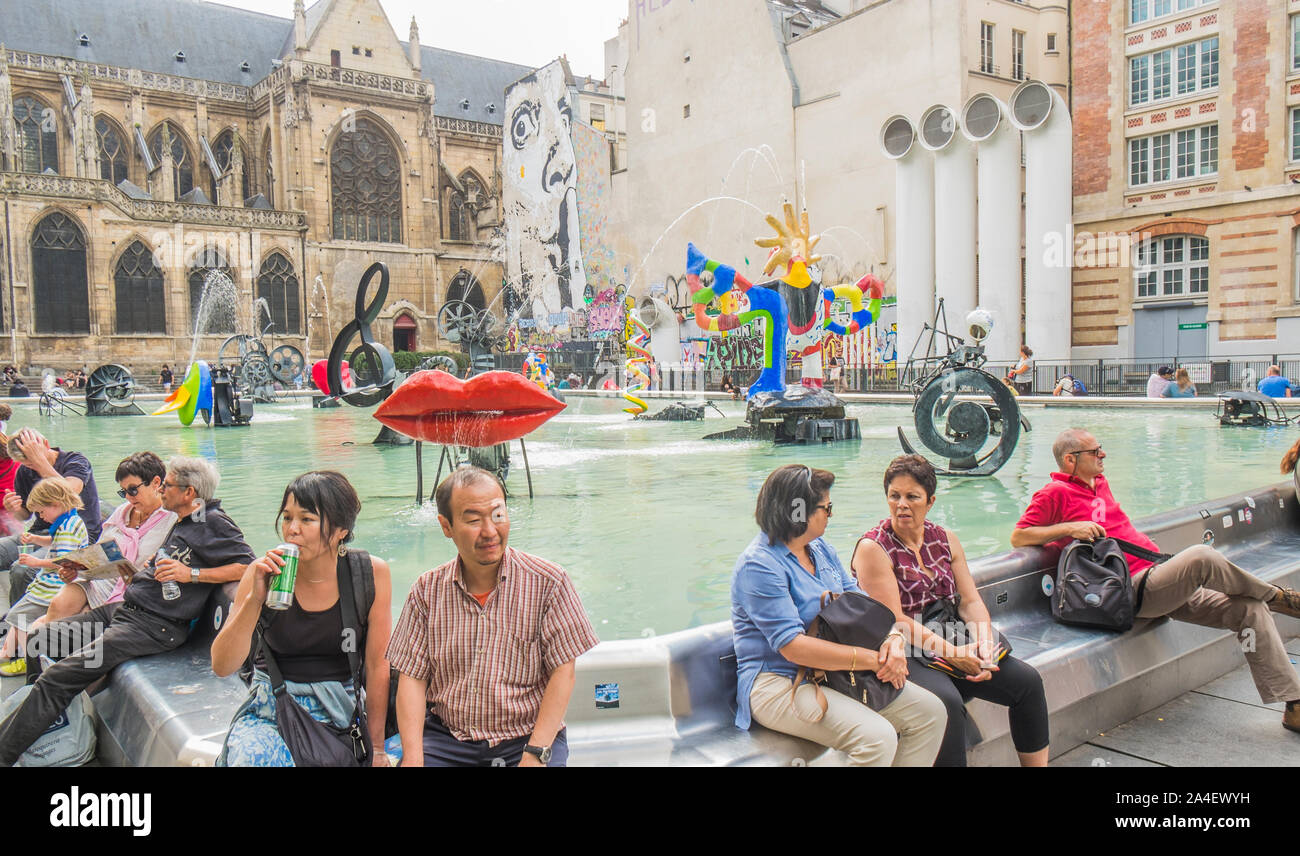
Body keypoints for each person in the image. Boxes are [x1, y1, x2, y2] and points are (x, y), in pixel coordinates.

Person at [1011, 428, 1300, 734]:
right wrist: (1071, 528)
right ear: (1070, 460)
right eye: (1095, 452)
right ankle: (1278, 597)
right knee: (1202, 556)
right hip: (1129, 589)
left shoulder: (1099, 483)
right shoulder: (1054, 493)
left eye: (1101, 449)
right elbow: (1019, 536)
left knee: (1249, 610)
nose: (1103, 455)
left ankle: (1294, 705)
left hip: (1158, 579)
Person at [0, 456, 255, 766]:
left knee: (59, 676)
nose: (163, 492)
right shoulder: (185, 520)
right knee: (41, 638)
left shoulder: (212, 521)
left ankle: (7, 751)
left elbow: (248, 567)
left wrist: (191, 576)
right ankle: (45, 729)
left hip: (152, 626)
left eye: (169, 485)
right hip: (125, 610)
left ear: (189, 493)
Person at [731, 464, 946, 766]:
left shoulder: (819, 549)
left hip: (836, 672)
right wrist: (875, 660)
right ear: (798, 512)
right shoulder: (760, 566)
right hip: (779, 680)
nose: (830, 515)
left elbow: (860, 602)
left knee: (930, 713)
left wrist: (893, 639)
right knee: (876, 738)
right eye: (826, 508)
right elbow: (793, 647)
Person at [387, 466, 599, 766]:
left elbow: (563, 673)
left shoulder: (549, 582)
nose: (490, 531)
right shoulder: (426, 591)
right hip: (448, 738)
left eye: (498, 515)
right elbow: (413, 678)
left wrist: (536, 752)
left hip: (526, 737)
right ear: (446, 526)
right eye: (473, 520)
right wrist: (413, 756)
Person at [853, 455, 1049, 766]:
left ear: (929, 501)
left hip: (949, 633)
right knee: (946, 705)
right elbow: (895, 620)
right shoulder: (873, 548)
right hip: (904, 648)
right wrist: (952, 654)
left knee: (1027, 683)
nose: (901, 504)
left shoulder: (946, 539)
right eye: (894, 496)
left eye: (912, 497)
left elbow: (970, 601)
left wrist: (984, 644)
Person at [212, 471, 392, 767]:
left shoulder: (369, 573)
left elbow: (376, 665)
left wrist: (377, 748)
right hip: (273, 710)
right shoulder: (262, 572)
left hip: (340, 709)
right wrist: (254, 599)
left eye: (306, 519)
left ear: (340, 530)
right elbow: (222, 665)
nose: (291, 529)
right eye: (286, 517)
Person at [40, 452, 177, 623]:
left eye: (133, 490)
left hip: (136, 589)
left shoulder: (172, 518)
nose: (128, 497)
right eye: (124, 492)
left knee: (79, 619)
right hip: (100, 582)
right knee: (59, 604)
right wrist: (75, 570)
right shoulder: (122, 512)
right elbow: (98, 552)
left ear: (156, 482)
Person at [0, 478, 90, 676]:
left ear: (55, 503)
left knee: (19, 616)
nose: (41, 517)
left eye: (41, 512)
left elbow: (64, 559)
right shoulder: (69, 520)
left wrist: (35, 562)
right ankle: (9, 653)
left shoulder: (67, 527)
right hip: (54, 584)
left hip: (53, 585)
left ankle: (27, 660)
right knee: (21, 616)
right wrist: (36, 539)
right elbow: (55, 541)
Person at [2, 429, 102, 606]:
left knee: (21, 570)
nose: (31, 467)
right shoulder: (25, 471)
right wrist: (14, 509)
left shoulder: (76, 461)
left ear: (46, 445)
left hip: (74, 537)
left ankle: (21, 620)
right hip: (40, 533)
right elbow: (25, 515)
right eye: (27, 463)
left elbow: (70, 492)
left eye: (32, 461)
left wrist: (40, 463)